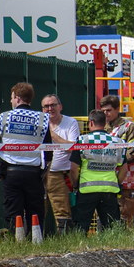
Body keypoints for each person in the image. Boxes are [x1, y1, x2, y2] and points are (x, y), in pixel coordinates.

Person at [0, 82, 52, 233]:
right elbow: (49, 151)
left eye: (11, 98)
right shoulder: (42, 118)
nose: (11, 101)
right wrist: (44, 172)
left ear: (17, 98)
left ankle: (15, 240)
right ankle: (36, 241)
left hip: (11, 171)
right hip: (34, 173)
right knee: (35, 212)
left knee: (13, 211)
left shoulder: (3, 117)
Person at [69, 110, 126, 233]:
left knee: (80, 228)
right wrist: (117, 182)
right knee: (112, 229)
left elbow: (73, 168)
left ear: (91, 123)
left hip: (86, 190)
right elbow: (124, 168)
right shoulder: (118, 142)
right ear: (105, 123)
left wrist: (75, 184)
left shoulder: (82, 140)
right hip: (109, 190)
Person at [100, 95, 134, 226]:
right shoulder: (101, 128)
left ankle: (128, 244)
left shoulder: (130, 127)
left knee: (126, 215)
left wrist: (114, 160)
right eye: (103, 111)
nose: (105, 114)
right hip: (107, 179)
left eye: (108, 110)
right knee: (106, 216)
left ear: (117, 109)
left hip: (127, 181)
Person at [41, 94, 81, 233]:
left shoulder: (70, 123)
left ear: (60, 106)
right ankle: (34, 241)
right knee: (38, 209)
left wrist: (53, 137)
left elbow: (73, 148)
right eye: (46, 106)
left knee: (62, 211)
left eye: (53, 105)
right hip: (39, 172)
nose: (50, 108)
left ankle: (64, 241)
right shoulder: (38, 123)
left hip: (60, 173)